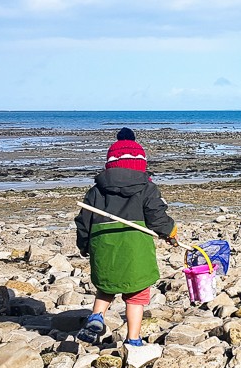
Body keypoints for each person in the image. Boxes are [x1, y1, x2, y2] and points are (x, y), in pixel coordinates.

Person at [74, 128, 177, 347]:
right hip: (135, 248)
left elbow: (84, 221)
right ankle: (133, 339)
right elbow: (156, 215)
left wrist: (83, 245)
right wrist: (170, 231)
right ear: (141, 164)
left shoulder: (96, 191)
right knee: (136, 295)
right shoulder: (147, 188)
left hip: (104, 245)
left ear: (110, 164)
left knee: (107, 286)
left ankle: (97, 316)